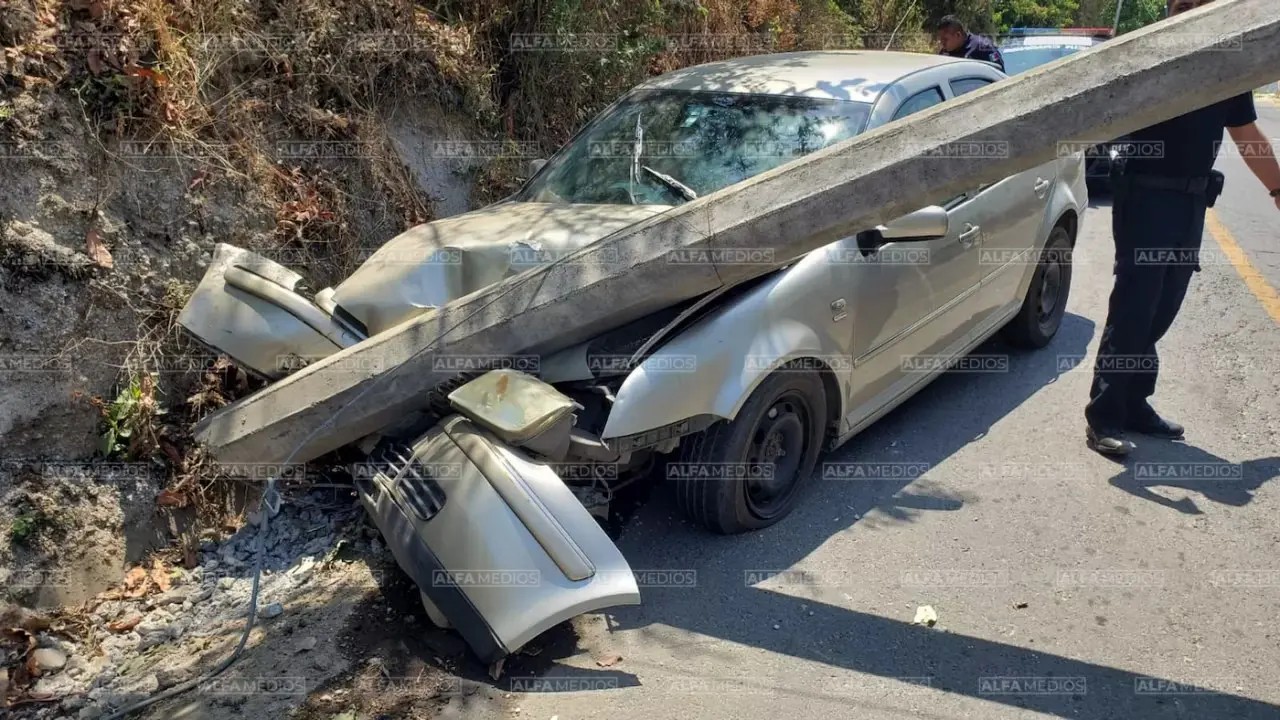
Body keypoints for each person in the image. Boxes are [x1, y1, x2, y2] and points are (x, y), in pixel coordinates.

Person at [1085, 0, 1280, 456]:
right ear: (1169, 11)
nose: (1189, 11)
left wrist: (1277, 188)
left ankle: (1134, 403)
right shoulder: (1150, 55)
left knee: (1164, 304)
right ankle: (1104, 416)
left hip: (1191, 200)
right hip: (1146, 196)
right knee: (1135, 305)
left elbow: (1247, 135)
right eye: (1182, 4)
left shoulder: (1225, 65)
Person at [935, 15, 1005, 72]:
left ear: (958, 35)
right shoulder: (944, 54)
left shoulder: (983, 46)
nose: (942, 43)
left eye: (945, 39)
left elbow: (999, 72)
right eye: (940, 39)